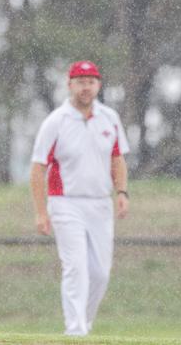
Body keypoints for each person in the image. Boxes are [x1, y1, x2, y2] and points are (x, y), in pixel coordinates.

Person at [29, 60, 130, 336]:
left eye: (91, 82)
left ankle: (83, 324)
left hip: (100, 202)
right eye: (80, 82)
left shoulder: (109, 118)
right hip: (65, 202)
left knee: (100, 274)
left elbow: (117, 157)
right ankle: (75, 331)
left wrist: (121, 192)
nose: (86, 88)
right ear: (70, 84)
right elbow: (38, 168)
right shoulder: (56, 122)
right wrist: (41, 212)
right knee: (76, 268)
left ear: (98, 84)